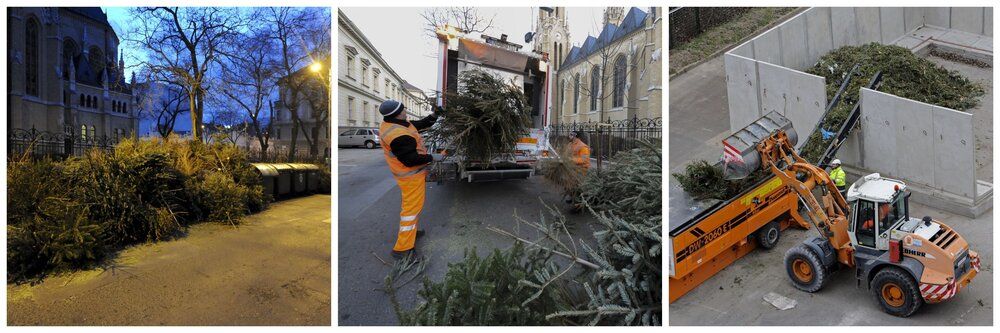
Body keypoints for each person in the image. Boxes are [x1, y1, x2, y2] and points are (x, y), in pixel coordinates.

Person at [378, 99, 443, 259]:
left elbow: (419, 125)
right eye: (403, 110)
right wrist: (433, 157)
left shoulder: (396, 124)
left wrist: (435, 115)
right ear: (398, 114)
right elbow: (410, 159)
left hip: (411, 175)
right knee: (410, 211)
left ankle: (411, 232)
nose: (406, 111)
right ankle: (403, 249)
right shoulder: (398, 135)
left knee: (413, 208)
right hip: (410, 177)